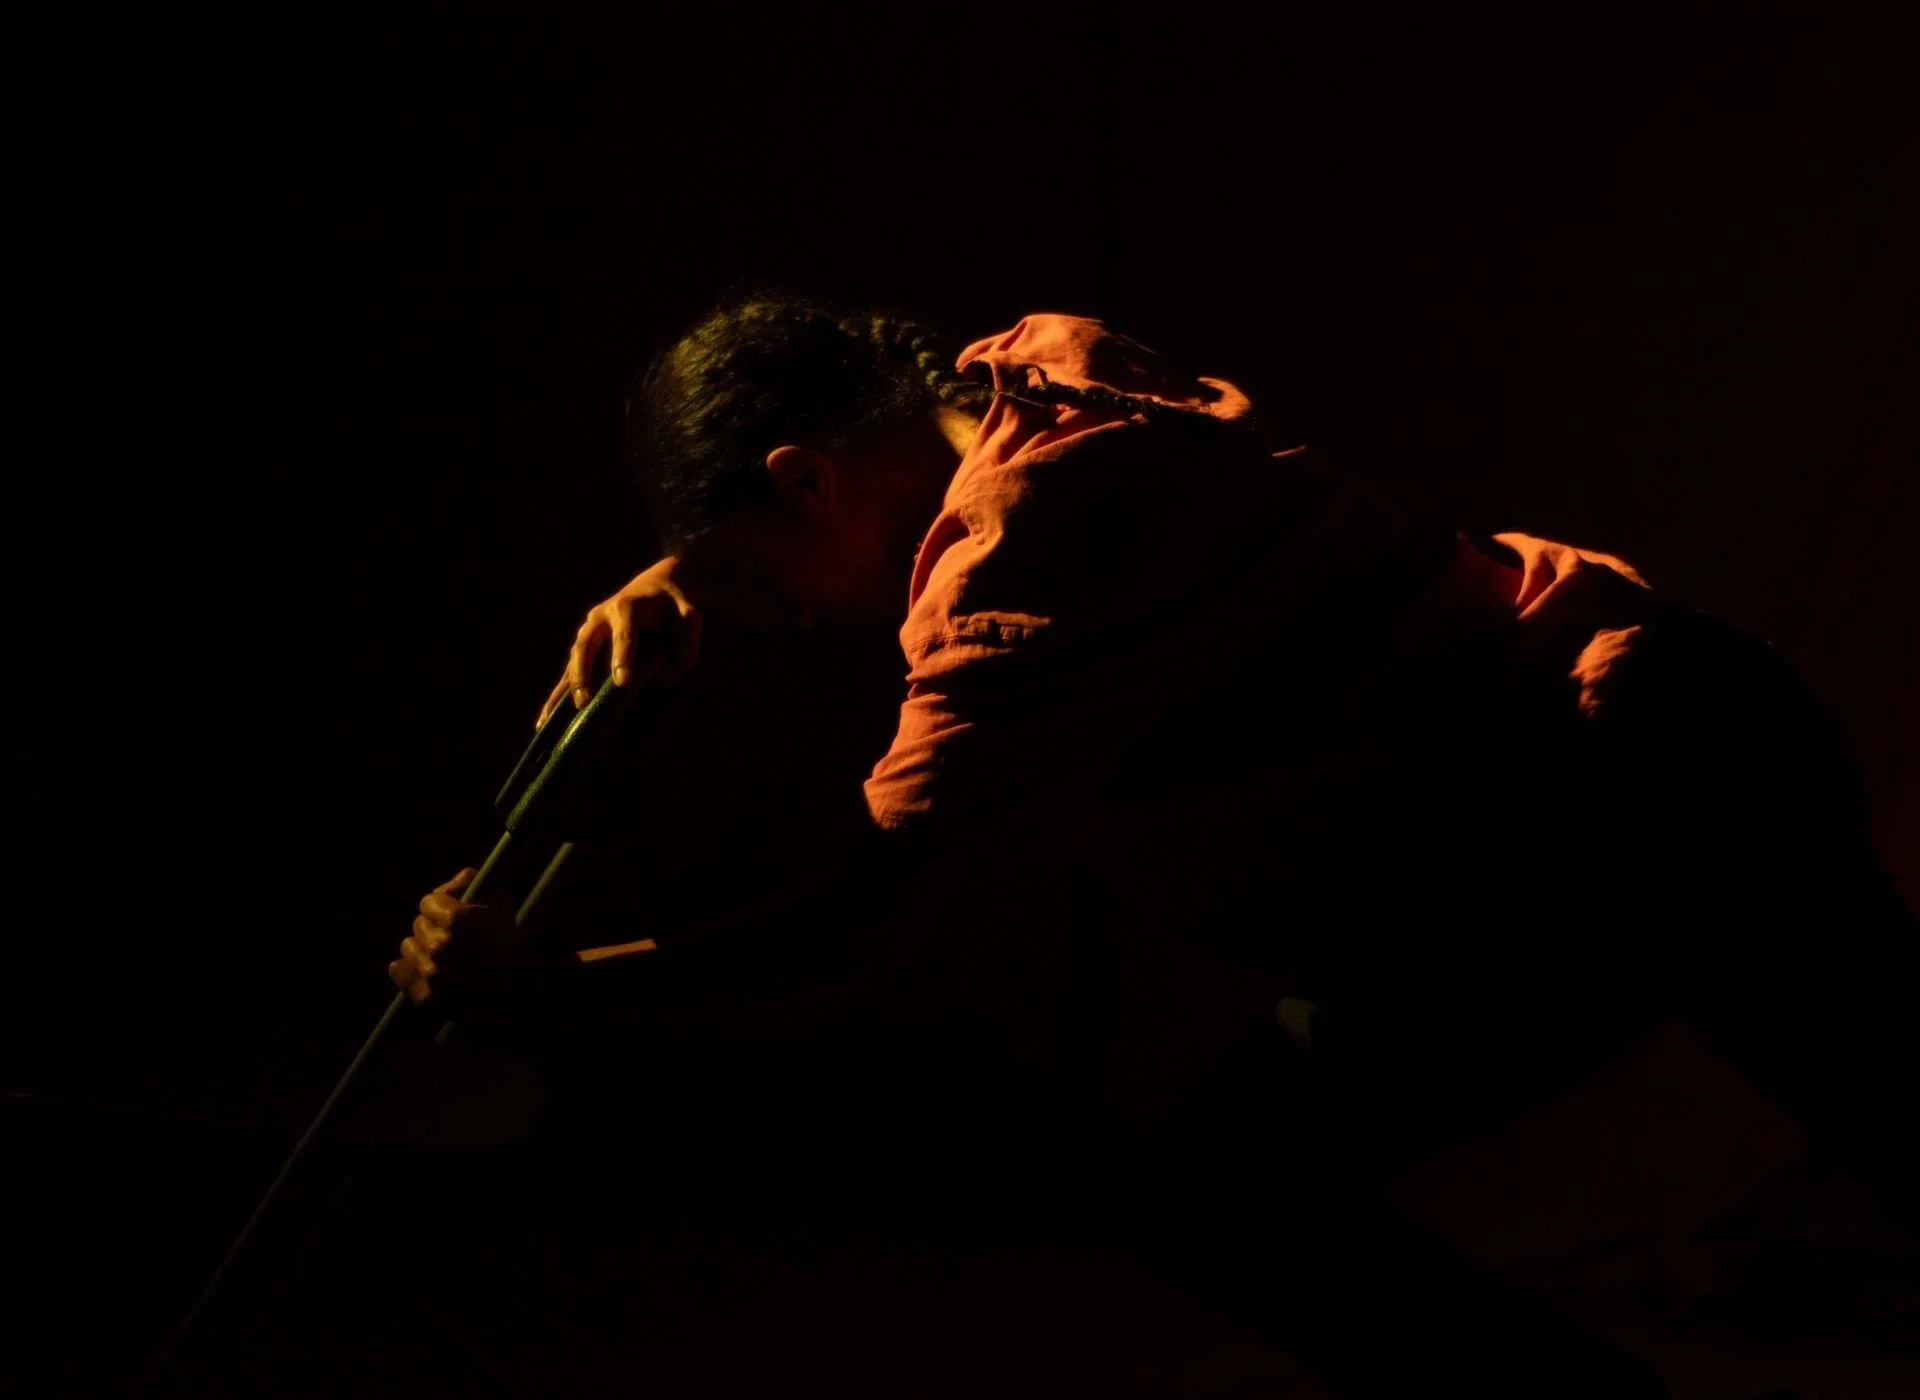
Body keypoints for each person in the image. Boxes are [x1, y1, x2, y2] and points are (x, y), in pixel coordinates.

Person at [388, 294, 1918, 1393]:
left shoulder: (1010, 562)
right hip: (1676, 734)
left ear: (801, 478)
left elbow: (875, 915)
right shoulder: (1045, 363)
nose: (789, 618)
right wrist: (684, 566)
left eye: (766, 575)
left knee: (1195, 1173)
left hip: (1623, 814)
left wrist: (556, 989)